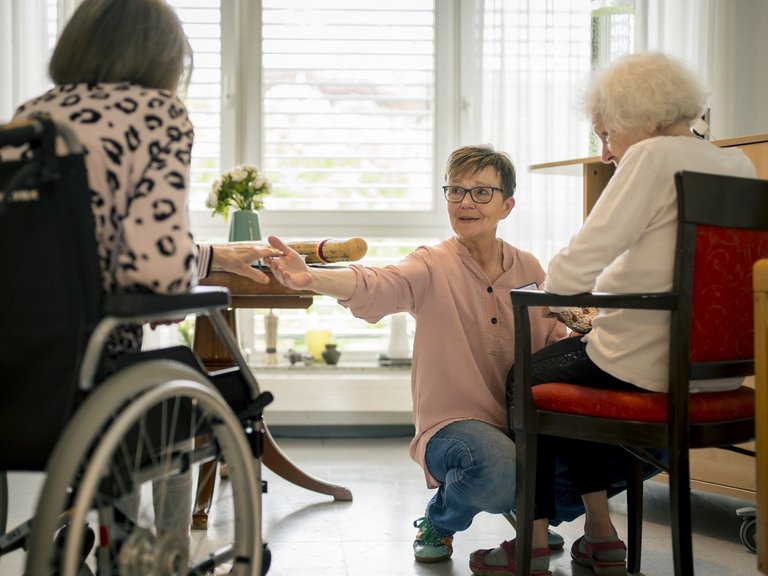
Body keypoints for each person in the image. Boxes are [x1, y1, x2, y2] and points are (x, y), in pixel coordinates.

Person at [4, 0, 280, 539]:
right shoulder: (156, 112)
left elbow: (73, 249)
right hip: (94, 369)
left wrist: (211, 256)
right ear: (162, 55)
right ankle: (163, 555)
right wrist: (196, 276)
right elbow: (159, 275)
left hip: (17, 372)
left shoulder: (30, 116)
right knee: (176, 386)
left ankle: (114, 532)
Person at [492, 52, 758, 576]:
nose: (606, 151)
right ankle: (600, 535)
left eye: (607, 133)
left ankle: (534, 542)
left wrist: (555, 291)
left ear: (637, 114)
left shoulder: (652, 156)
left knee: (525, 378)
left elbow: (575, 268)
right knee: (575, 383)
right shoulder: (738, 165)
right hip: (715, 372)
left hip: (643, 363)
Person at [266, 144, 575, 566]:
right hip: (453, 429)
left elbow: (554, 340)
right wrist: (312, 278)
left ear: (507, 205)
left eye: (482, 192)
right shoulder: (432, 264)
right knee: (498, 466)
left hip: (521, 426)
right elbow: (378, 283)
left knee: (627, 453)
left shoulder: (530, 269)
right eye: (456, 190)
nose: (466, 202)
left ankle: (526, 505)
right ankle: (441, 519)